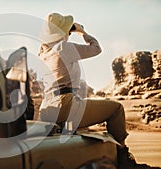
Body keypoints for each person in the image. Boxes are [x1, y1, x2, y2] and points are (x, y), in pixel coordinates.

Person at [37, 12, 154, 169]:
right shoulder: (63, 48)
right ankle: (123, 157)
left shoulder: (43, 53)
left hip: (46, 109)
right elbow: (96, 48)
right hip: (66, 104)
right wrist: (83, 33)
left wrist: (66, 32)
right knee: (116, 109)